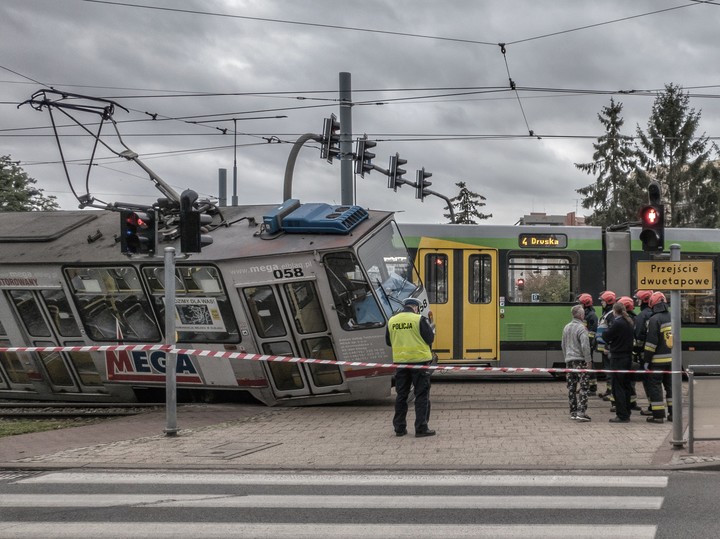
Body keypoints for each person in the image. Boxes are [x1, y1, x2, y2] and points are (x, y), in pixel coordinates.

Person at [386, 297, 436, 437]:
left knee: (401, 395)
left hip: (401, 363)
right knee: (421, 394)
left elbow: (388, 341)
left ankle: (399, 428)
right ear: (416, 308)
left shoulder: (392, 320)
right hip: (419, 362)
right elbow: (430, 339)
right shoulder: (418, 319)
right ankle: (421, 428)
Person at [644, 292, 672, 424]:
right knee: (671, 387)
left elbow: (651, 343)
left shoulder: (654, 320)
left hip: (657, 361)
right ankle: (673, 414)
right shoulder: (673, 317)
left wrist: (646, 360)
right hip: (672, 360)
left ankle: (658, 416)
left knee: (655, 387)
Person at [604, 301, 635, 423]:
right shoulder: (629, 322)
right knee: (626, 386)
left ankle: (622, 415)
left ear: (614, 310)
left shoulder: (617, 323)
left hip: (617, 358)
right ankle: (627, 412)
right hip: (627, 357)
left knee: (618, 387)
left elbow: (606, 336)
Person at [562, 304, 592, 422]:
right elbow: (585, 345)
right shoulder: (582, 328)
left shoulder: (566, 327)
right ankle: (581, 412)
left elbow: (563, 345)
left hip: (569, 361)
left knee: (571, 388)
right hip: (580, 361)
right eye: (583, 313)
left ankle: (573, 412)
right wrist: (588, 360)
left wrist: (566, 358)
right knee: (584, 387)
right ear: (580, 315)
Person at [633, 289, 655, 416]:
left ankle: (652, 406)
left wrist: (636, 351)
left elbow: (639, 336)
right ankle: (656, 406)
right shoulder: (655, 314)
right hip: (655, 353)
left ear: (644, 300)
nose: (637, 301)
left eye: (639, 299)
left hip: (644, 354)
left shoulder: (642, 316)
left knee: (648, 381)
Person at [595, 291, 616, 401]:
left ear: (608, 302)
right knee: (607, 371)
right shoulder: (606, 314)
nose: (601, 303)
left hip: (607, 348)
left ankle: (611, 392)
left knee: (610, 371)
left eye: (602, 301)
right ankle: (609, 390)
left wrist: (608, 346)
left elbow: (611, 332)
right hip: (603, 347)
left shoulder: (611, 315)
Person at [577, 293, 598, 395]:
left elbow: (592, 333)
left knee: (589, 364)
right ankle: (584, 386)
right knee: (584, 365)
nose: (579, 305)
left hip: (588, 344)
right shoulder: (585, 314)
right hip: (584, 343)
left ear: (586, 304)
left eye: (581, 303)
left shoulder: (592, 315)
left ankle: (592, 387)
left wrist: (587, 344)